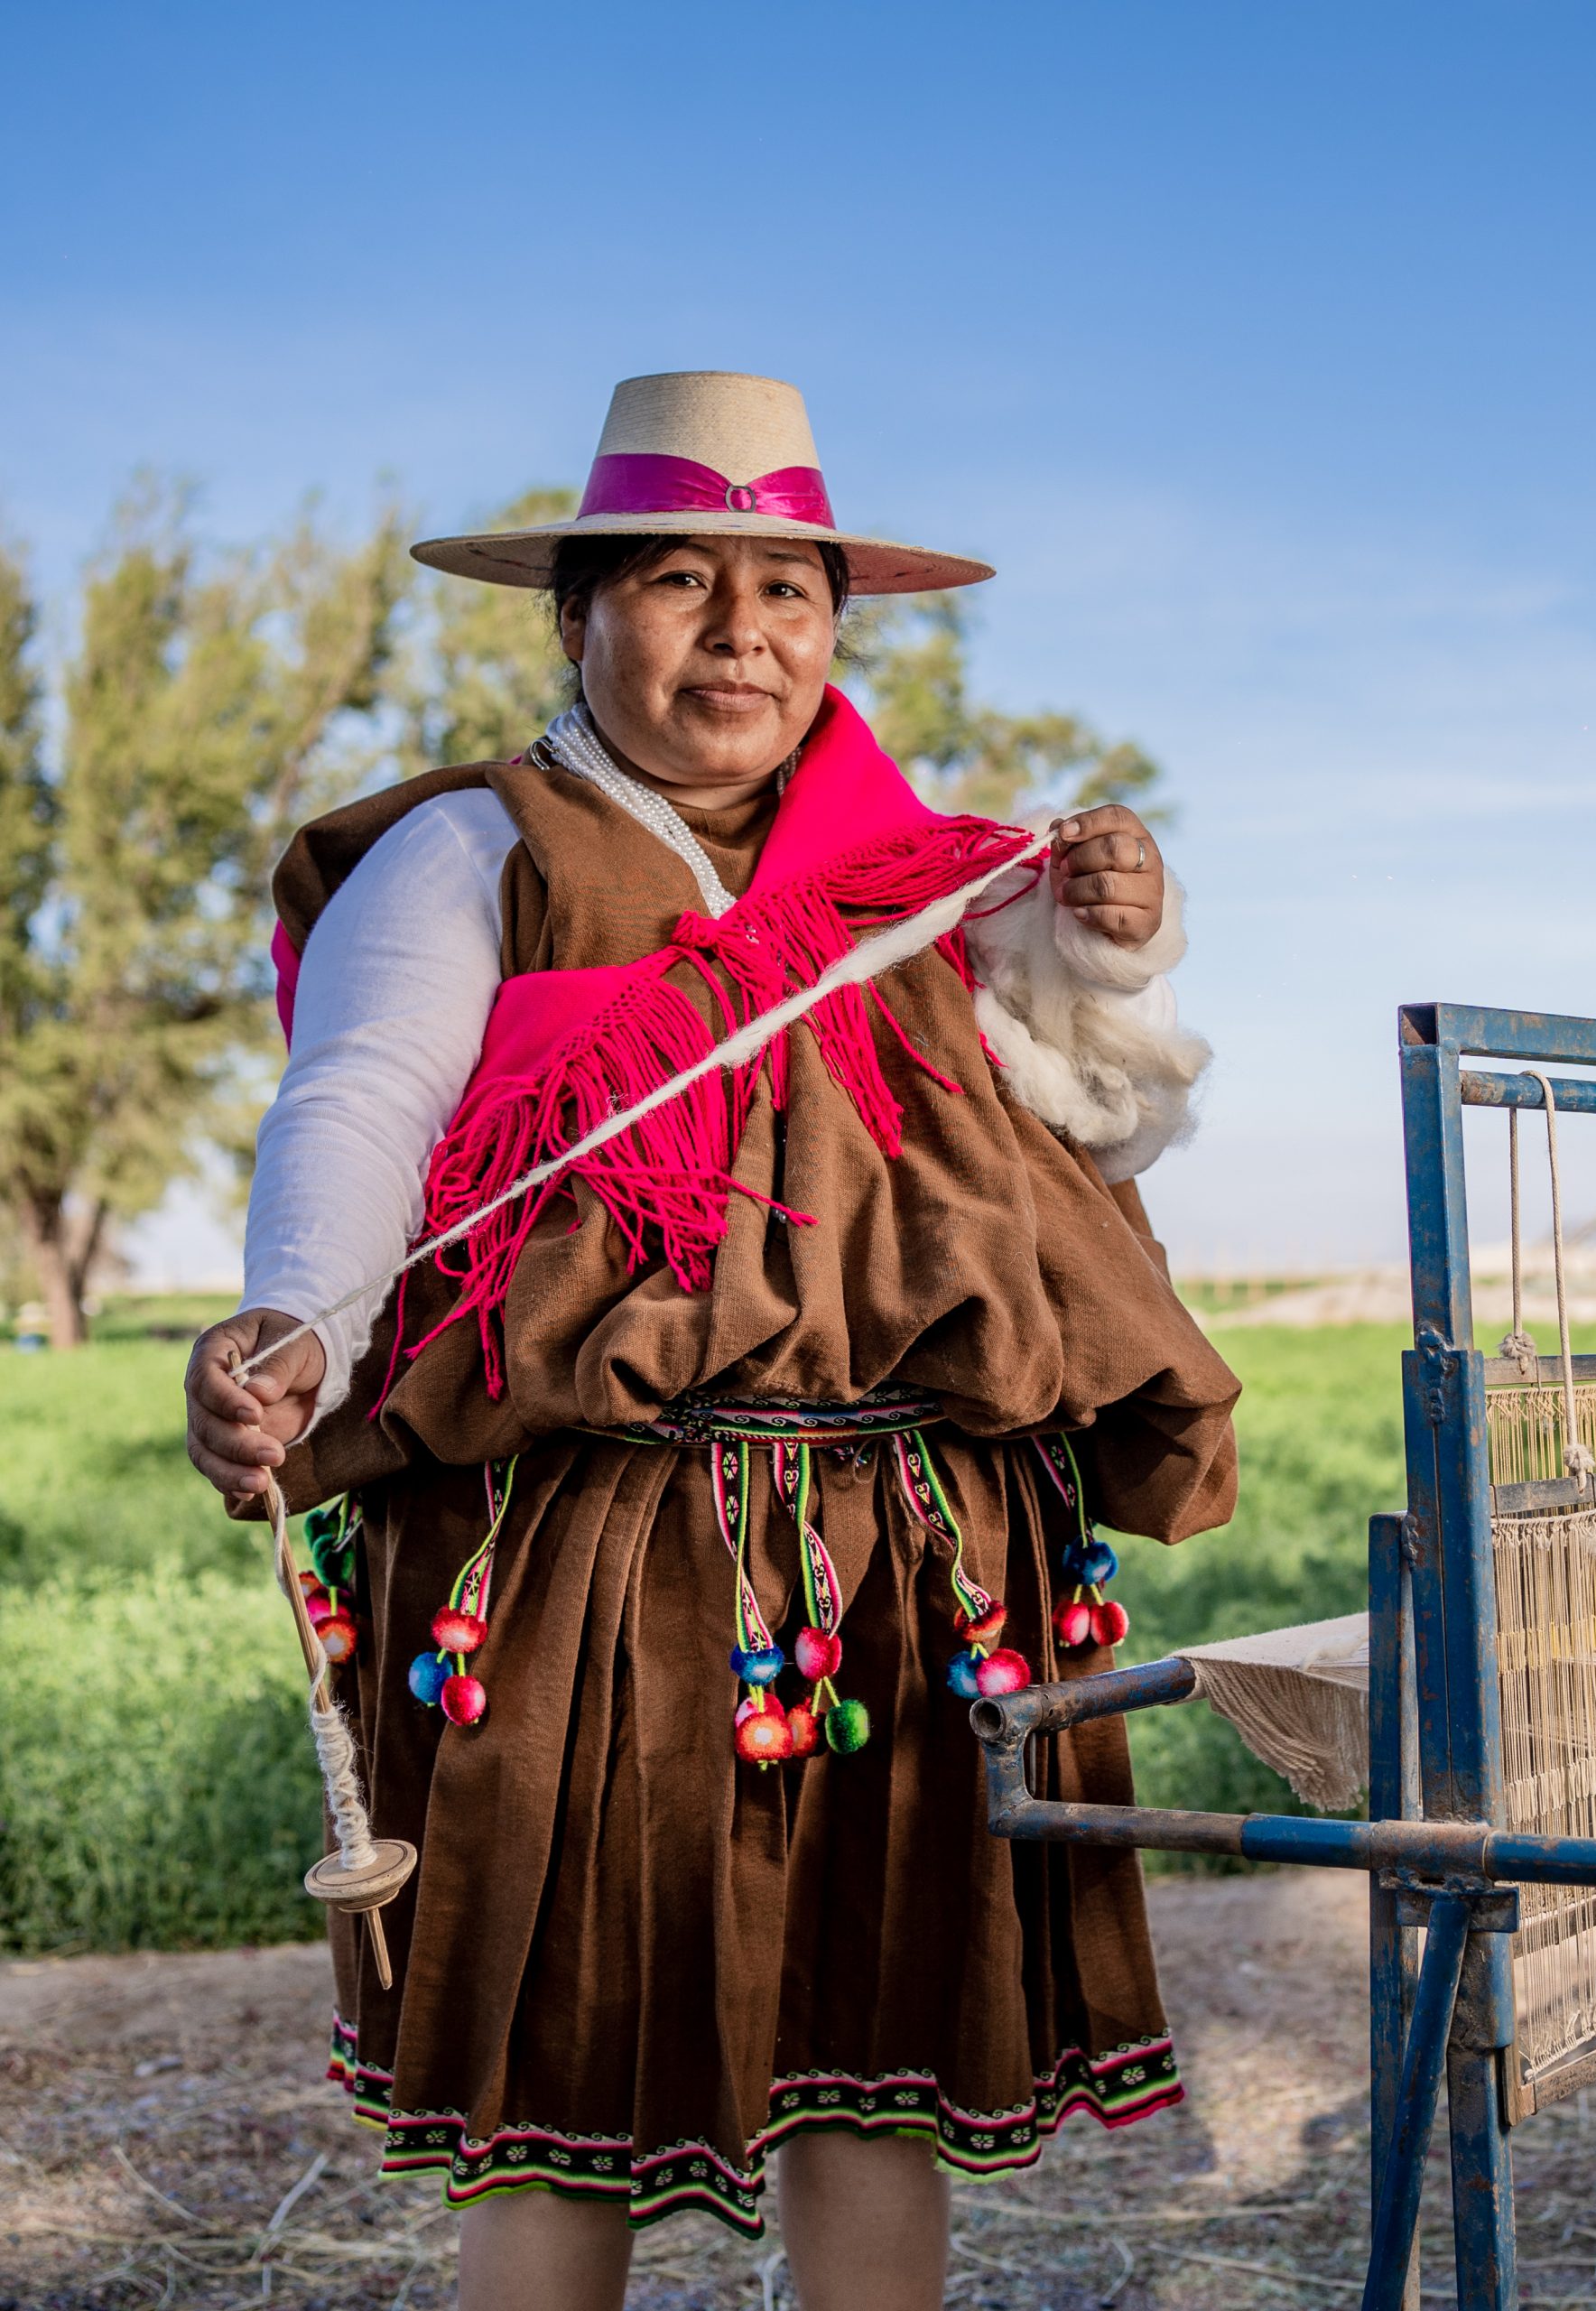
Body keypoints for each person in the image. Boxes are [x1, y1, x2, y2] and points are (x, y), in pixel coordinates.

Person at [183, 371, 1239, 2311]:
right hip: (598, 1552)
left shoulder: (928, 884)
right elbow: (359, 1097)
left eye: (787, 590)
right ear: (571, 615)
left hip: (918, 1549)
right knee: (566, 2053)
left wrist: (1110, 941)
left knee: (880, 2052)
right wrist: (289, 1326)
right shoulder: (474, 849)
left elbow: (1093, 1118)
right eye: (680, 578)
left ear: (835, 627)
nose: (741, 632)